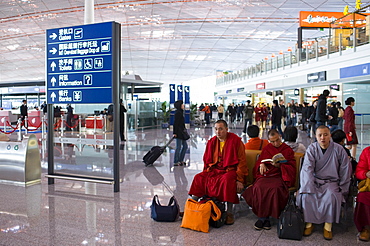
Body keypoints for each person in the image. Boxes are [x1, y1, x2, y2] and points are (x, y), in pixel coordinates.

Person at [296, 126, 351, 240]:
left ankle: (328, 225)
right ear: (315, 137)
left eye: (325, 134)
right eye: (320, 135)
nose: (322, 138)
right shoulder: (312, 148)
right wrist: (308, 185)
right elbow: (307, 168)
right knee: (307, 195)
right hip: (314, 180)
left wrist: (343, 186)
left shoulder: (338, 149)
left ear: (330, 135)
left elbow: (345, 169)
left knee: (331, 196)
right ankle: (309, 223)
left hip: (332, 182)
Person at [188, 120, 248, 225]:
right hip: (215, 169)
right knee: (199, 178)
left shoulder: (236, 141)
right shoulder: (212, 142)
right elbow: (206, 161)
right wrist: (206, 173)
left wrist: (240, 179)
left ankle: (229, 212)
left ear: (226, 129)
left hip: (230, 170)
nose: (218, 132)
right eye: (216, 129)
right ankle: (192, 207)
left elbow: (242, 162)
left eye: (221, 129)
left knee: (227, 180)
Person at [243, 129, 296, 230]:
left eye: (277, 140)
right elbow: (260, 162)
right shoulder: (267, 148)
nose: (275, 143)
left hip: (279, 176)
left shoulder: (287, 149)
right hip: (266, 176)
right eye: (272, 141)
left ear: (280, 136)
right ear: (268, 140)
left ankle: (265, 217)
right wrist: (261, 164)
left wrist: (280, 166)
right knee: (258, 187)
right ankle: (264, 218)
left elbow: (291, 167)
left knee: (274, 189)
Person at [354, 147, 370, 241]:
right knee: (363, 197)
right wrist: (366, 174)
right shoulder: (367, 151)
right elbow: (359, 171)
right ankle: (366, 228)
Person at [173, 100, 188, 166]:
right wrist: (175, 133)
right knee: (178, 147)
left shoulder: (181, 112)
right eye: (182, 104)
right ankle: (176, 161)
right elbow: (175, 123)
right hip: (179, 133)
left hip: (182, 132)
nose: (183, 105)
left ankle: (181, 160)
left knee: (185, 146)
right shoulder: (178, 113)